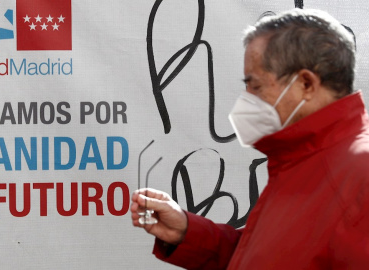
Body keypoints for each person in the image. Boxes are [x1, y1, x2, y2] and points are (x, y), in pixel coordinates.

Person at [131, 9, 369, 269]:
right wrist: (186, 232)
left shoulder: (358, 177)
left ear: (306, 84)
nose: (247, 98)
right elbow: (271, 254)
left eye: (255, 85)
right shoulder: (301, 164)